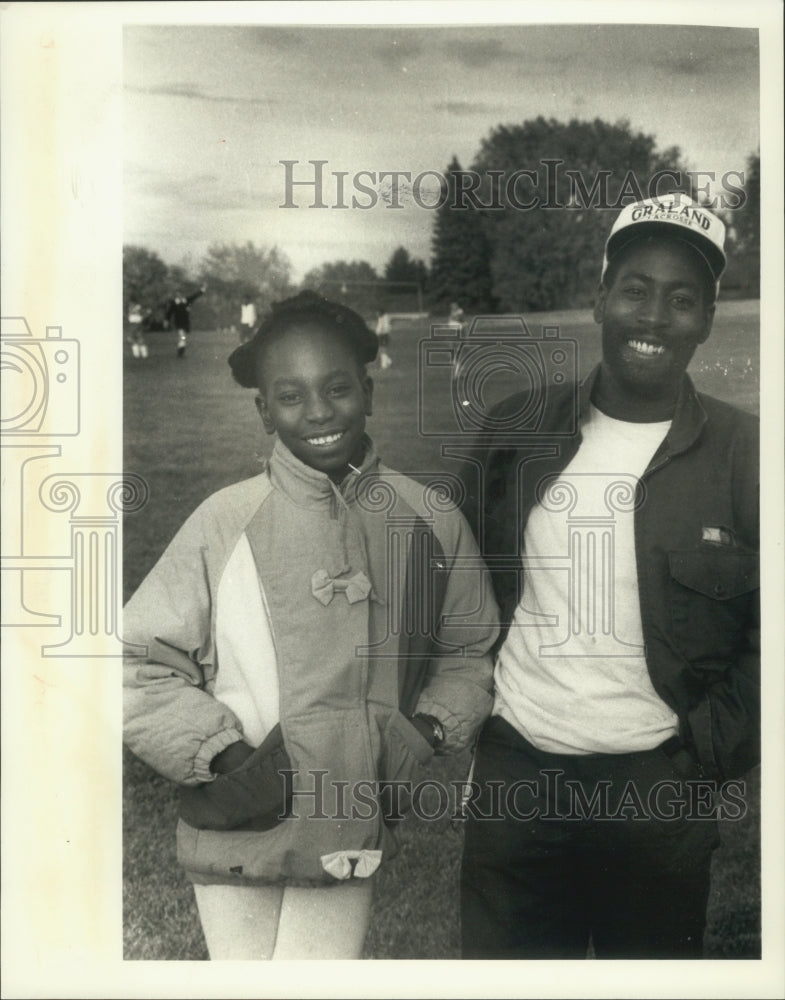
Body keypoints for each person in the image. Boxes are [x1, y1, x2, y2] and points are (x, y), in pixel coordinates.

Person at [123, 289, 498, 960]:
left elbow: (470, 649)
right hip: (236, 814)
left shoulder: (430, 520)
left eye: (337, 388)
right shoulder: (222, 521)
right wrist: (224, 756)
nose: (319, 412)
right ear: (263, 409)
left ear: (369, 390)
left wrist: (424, 731)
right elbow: (135, 660)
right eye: (290, 397)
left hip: (348, 819)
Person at [459, 194, 759, 959]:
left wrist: (699, 757)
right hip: (518, 779)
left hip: (658, 792)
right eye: (634, 288)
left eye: (681, 299)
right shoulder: (517, 428)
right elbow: (453, 575)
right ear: (599, 300)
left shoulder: (746, 452)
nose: (653, 316)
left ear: (705, 321)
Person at [166, 284, 206, 357]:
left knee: (183, 337)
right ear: (177, 295)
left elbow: (194, 296)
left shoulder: (186, 301)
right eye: (178, 294)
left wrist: (201, 291)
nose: (180, 296)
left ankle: (181, 347)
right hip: (178, 322)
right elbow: (169, 312)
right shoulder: (174, 303)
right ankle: (181, 349)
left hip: (186, 322)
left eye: (181, 294)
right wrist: (166, 320)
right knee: (182, 335)